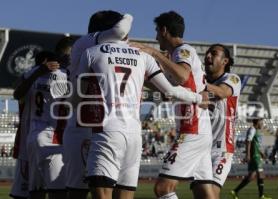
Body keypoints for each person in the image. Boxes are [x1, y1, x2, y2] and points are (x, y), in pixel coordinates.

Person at [71, 11, 208, 199]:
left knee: (101, 194)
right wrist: (199, 98)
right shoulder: (142, 55)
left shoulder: (90, 53)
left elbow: (77, 97)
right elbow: (171, 92)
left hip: (107, 131)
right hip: (134, 136)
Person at [131, 11, 214, 199]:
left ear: (164, 30)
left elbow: (183, 75)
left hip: (192, 129)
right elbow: (167, 89)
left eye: (156, 32)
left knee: (163, 188)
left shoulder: (182, 51)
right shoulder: (176, 55)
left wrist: (154, 53)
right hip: (199, 129)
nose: (156, 37)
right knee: (204, 191)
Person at [63, 10, 133, 199]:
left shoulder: (104, 53)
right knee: (79, 192)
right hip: (82, 128)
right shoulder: (87, 42)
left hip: (104, 129)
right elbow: (121, 31)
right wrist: (129, 16)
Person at [10, 51, 61, 199]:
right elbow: (17, 94)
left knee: (37, 189)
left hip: (34, 138)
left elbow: (16, 92)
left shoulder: (29, 76)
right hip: (36, 139)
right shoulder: (31, 77)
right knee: (34, 190)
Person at [204, 44, 241, 199]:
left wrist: (192, 83)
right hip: (201, 147)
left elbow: (222, 92)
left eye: (214, 53)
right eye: (207, 53)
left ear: (225, 61)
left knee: (211, 191)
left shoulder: (232, 79)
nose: (208, 56)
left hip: (222, 148)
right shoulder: (202, 81)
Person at [231, 118, 272, 199]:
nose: (262, 124)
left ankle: (235, 191)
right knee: (261, 174)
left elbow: (255, 144)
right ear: (257, 122)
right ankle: (261, 195)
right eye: (261, 123)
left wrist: (261, 153)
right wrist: (248, 155)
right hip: (254, 156)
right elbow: (248, 141)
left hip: (256, 155)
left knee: (251, 176)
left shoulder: (256, 131)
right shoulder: (252, 129)